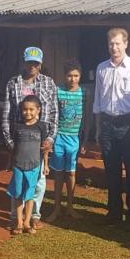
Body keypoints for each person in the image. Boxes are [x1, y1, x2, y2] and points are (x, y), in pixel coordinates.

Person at [93, 28, 130, 224]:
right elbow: (98, 101)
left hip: (129, 124)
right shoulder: (102, 68)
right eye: (111, 43)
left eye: (118, 43)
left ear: (126, 44)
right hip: (108, 124)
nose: (114, 47)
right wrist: (99, 128)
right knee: (112, 170)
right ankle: (114, 211)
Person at [2, 47, 58, 229]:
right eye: (29, 62)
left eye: (36, 63)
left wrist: (50, 138)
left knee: (39, 180)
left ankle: (33, 216)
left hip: (40, 141)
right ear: (24, 62)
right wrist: (9, 141)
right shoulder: (14, 83)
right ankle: (15, 217)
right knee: (17, 180)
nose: (32, 66)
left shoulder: (49, 83)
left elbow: (54, 113)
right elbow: (7, 113)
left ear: (40, 64)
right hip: (20, 141)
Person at [46, 61, 87, 223]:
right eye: (69, 75)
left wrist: (85, 139)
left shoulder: (84, 93)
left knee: (71, 173)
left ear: (80, 76)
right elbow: (53, 114)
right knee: (58, 173)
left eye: (76, 76)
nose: (72, 79)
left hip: (75, 138)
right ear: (65, 76)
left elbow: (87, 117)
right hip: (60, 137)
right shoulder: (58, 91)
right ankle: (56, 208)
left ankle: (70, 207)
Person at [6, 95, 50, 235]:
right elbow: (13, 148)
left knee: (30, 195)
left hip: (35, 166)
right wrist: (9, 163)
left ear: (39, 110)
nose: (28, 112)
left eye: (31, 109)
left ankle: (27, 222)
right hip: (18, 165)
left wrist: (46, 165)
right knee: (18, 194)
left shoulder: (42, 127)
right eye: (25, 109)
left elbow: (45, 149)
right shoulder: (17, 126)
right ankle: (19, 222)